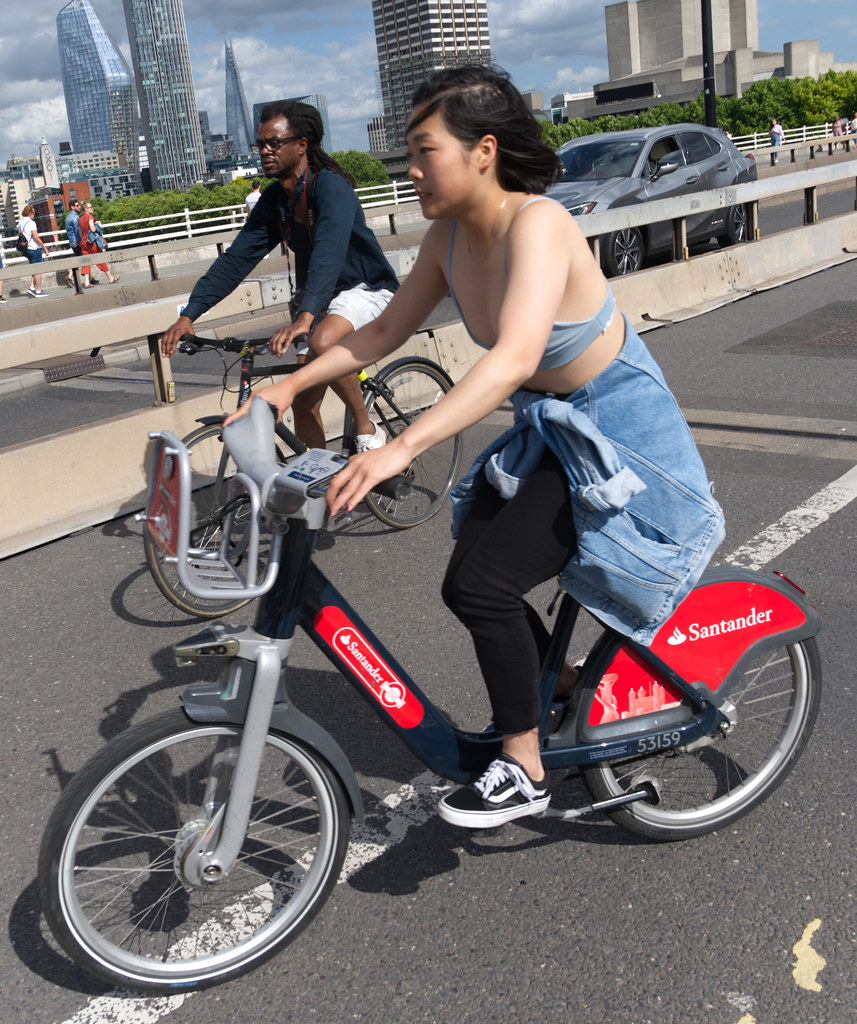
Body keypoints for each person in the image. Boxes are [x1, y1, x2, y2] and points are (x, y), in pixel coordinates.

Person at [224, 65, 726, 828]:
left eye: (424, 151)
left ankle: (523, 765)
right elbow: (383, 332)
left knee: (489, 583)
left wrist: (397, 449)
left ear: (483, 150)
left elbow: (514, 357)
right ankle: (559, 689)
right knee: (467, 582)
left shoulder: (538, 225)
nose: (411, 169)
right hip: (551, 426)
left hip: (616, 432)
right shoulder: (448, 236)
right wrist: (288, 387)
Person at [162, 100, 399, 450]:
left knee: (323, 340)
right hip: (319, 301)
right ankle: (320, 480)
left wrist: (306, 316)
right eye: (260, 144)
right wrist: (189, 314)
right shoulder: (275, 201)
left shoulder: (332, 188)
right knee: (303, 403)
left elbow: (328, 254)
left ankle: (368, 432)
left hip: (365, 289)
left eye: (274, 143)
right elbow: (236, 261)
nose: (264, 151)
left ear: (301, 144)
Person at [79, 202, 119, 287]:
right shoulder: (90, 217)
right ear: (86, 209)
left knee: (86, 262)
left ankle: (86, 282)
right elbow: (92, 229)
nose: (92, 208)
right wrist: (96, 224)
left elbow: (80, 233)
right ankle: (110, 278)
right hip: (91, 243)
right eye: (91, 207)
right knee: (100, 259)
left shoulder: (80, 219)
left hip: (83, 243)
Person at [18, 205, 50, 297]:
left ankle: (32, 287)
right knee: (38, 270)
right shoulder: (31, 223)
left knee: (33, 268)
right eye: (33, 213)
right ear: (30, 213)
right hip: (34, 248)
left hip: (26, 249)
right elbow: (35, 237)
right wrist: (44, 247)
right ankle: (38, 291)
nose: (34, 215)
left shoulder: (20, 223)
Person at [64, 198, 82, 287]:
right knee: (83, 259)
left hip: (72, 241)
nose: (79, 207)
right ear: (72, 207)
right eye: (77, 205)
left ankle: (70, 276)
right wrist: (81, 241)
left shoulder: (67, 217)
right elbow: (77, 230)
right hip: (77, 241)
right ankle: (70, 276)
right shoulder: (75, 217)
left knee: (77, 258)